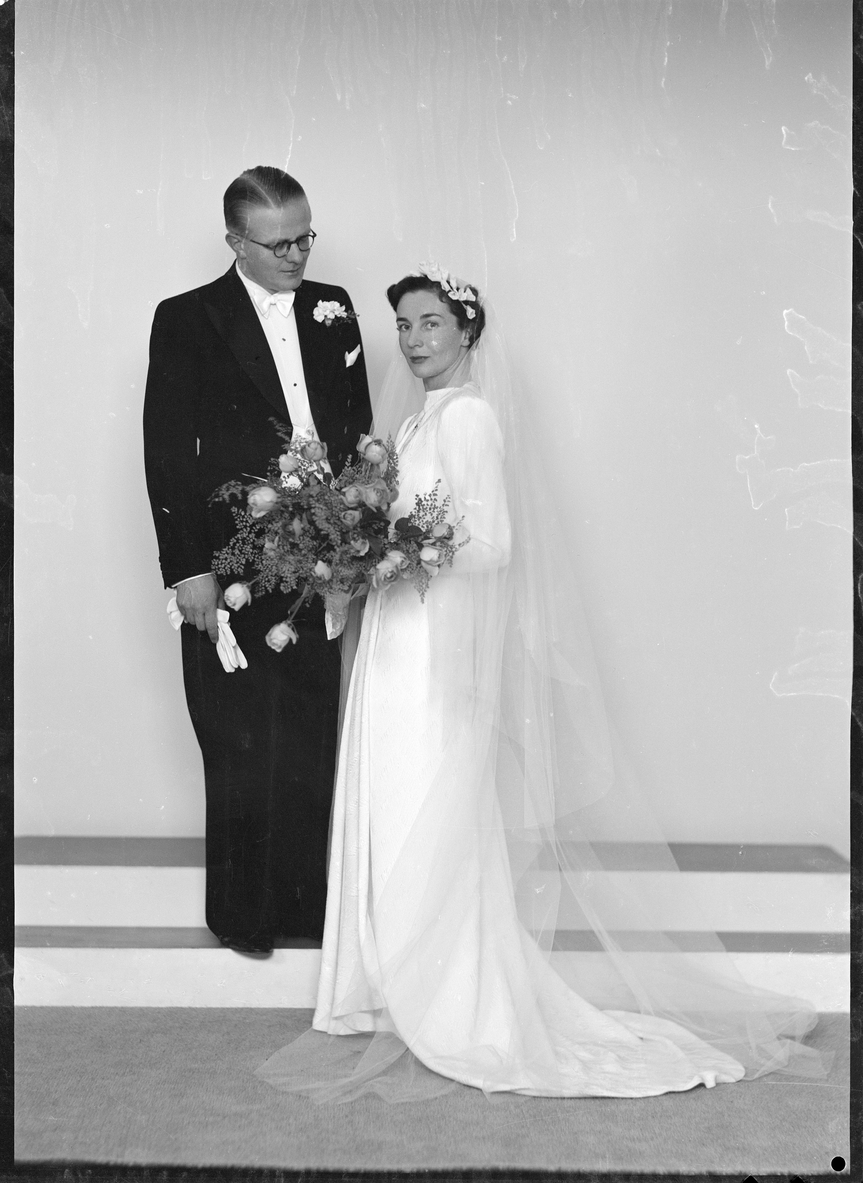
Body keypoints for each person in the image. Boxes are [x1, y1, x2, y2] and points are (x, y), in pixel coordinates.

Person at [257, 265, 824, 1098]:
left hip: (433, 638)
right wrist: (356, 554)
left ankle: (448, 994)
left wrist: (392, 556)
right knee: (391, 795)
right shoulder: (412, 423)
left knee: (424, 800)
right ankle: (393, 983)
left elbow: (492, 544)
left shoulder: (469, 416)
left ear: (466, 331)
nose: (413, 340)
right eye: (404, 326)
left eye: (430, 323)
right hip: (395, 632)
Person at [143, 167, 372, 957]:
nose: (297, 255)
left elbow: (356, 433)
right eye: (278, 244)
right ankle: (243, 917)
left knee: (310, 729)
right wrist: (188, 569)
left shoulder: (334, 308)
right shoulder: (186, 317)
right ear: (235, 241)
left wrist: (353, 548)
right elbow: (166, 450)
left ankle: (307, 914)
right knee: (237, 736)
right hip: (228, 556)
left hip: (320, 555)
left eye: (305, 237)